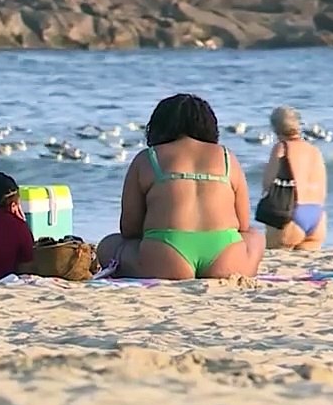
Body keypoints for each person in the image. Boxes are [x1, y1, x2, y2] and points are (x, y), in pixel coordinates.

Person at [96, 94, 264, 280]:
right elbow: (243, 224)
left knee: (108, 245)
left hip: (166, 254)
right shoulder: (227, 157)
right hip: (224, 255)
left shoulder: (148, 158)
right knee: (255, 237)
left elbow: (130, 228)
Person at [262, 105, 327, 250]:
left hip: (291, 214)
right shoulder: (314, 150)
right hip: (317, 215)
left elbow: (268, 183)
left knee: (276, 253)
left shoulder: (282, 148)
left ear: (274, 127)